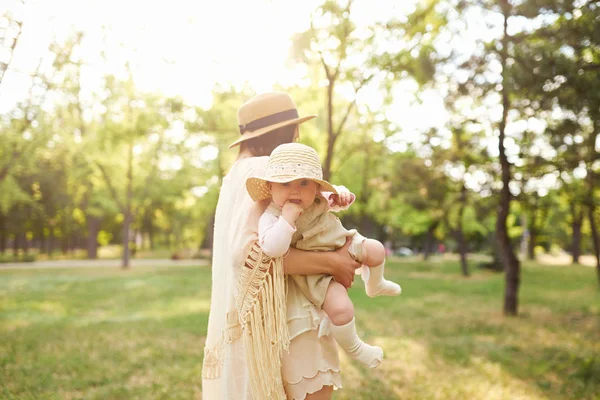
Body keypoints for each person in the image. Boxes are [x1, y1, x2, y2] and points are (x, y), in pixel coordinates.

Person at [202, 92, 361, 400]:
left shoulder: (234, 175)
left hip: (249, 322)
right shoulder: (266, 169)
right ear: (289, 132)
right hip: (287, 317)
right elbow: (252, 255)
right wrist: (333, 262)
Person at [246, 143, 401, 370]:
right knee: (341, 309)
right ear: (270, 187)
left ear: (315, 187)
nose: (295, 190)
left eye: (304, 182)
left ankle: (375, 284)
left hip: (343, 243)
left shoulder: (319, 197)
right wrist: (287, 220)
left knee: (377, 249)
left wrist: (342, 196)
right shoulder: (271, 216)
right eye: (285, 183)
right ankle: (356, 348)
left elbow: (334, 197)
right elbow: (273, 249)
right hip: (317, 273)